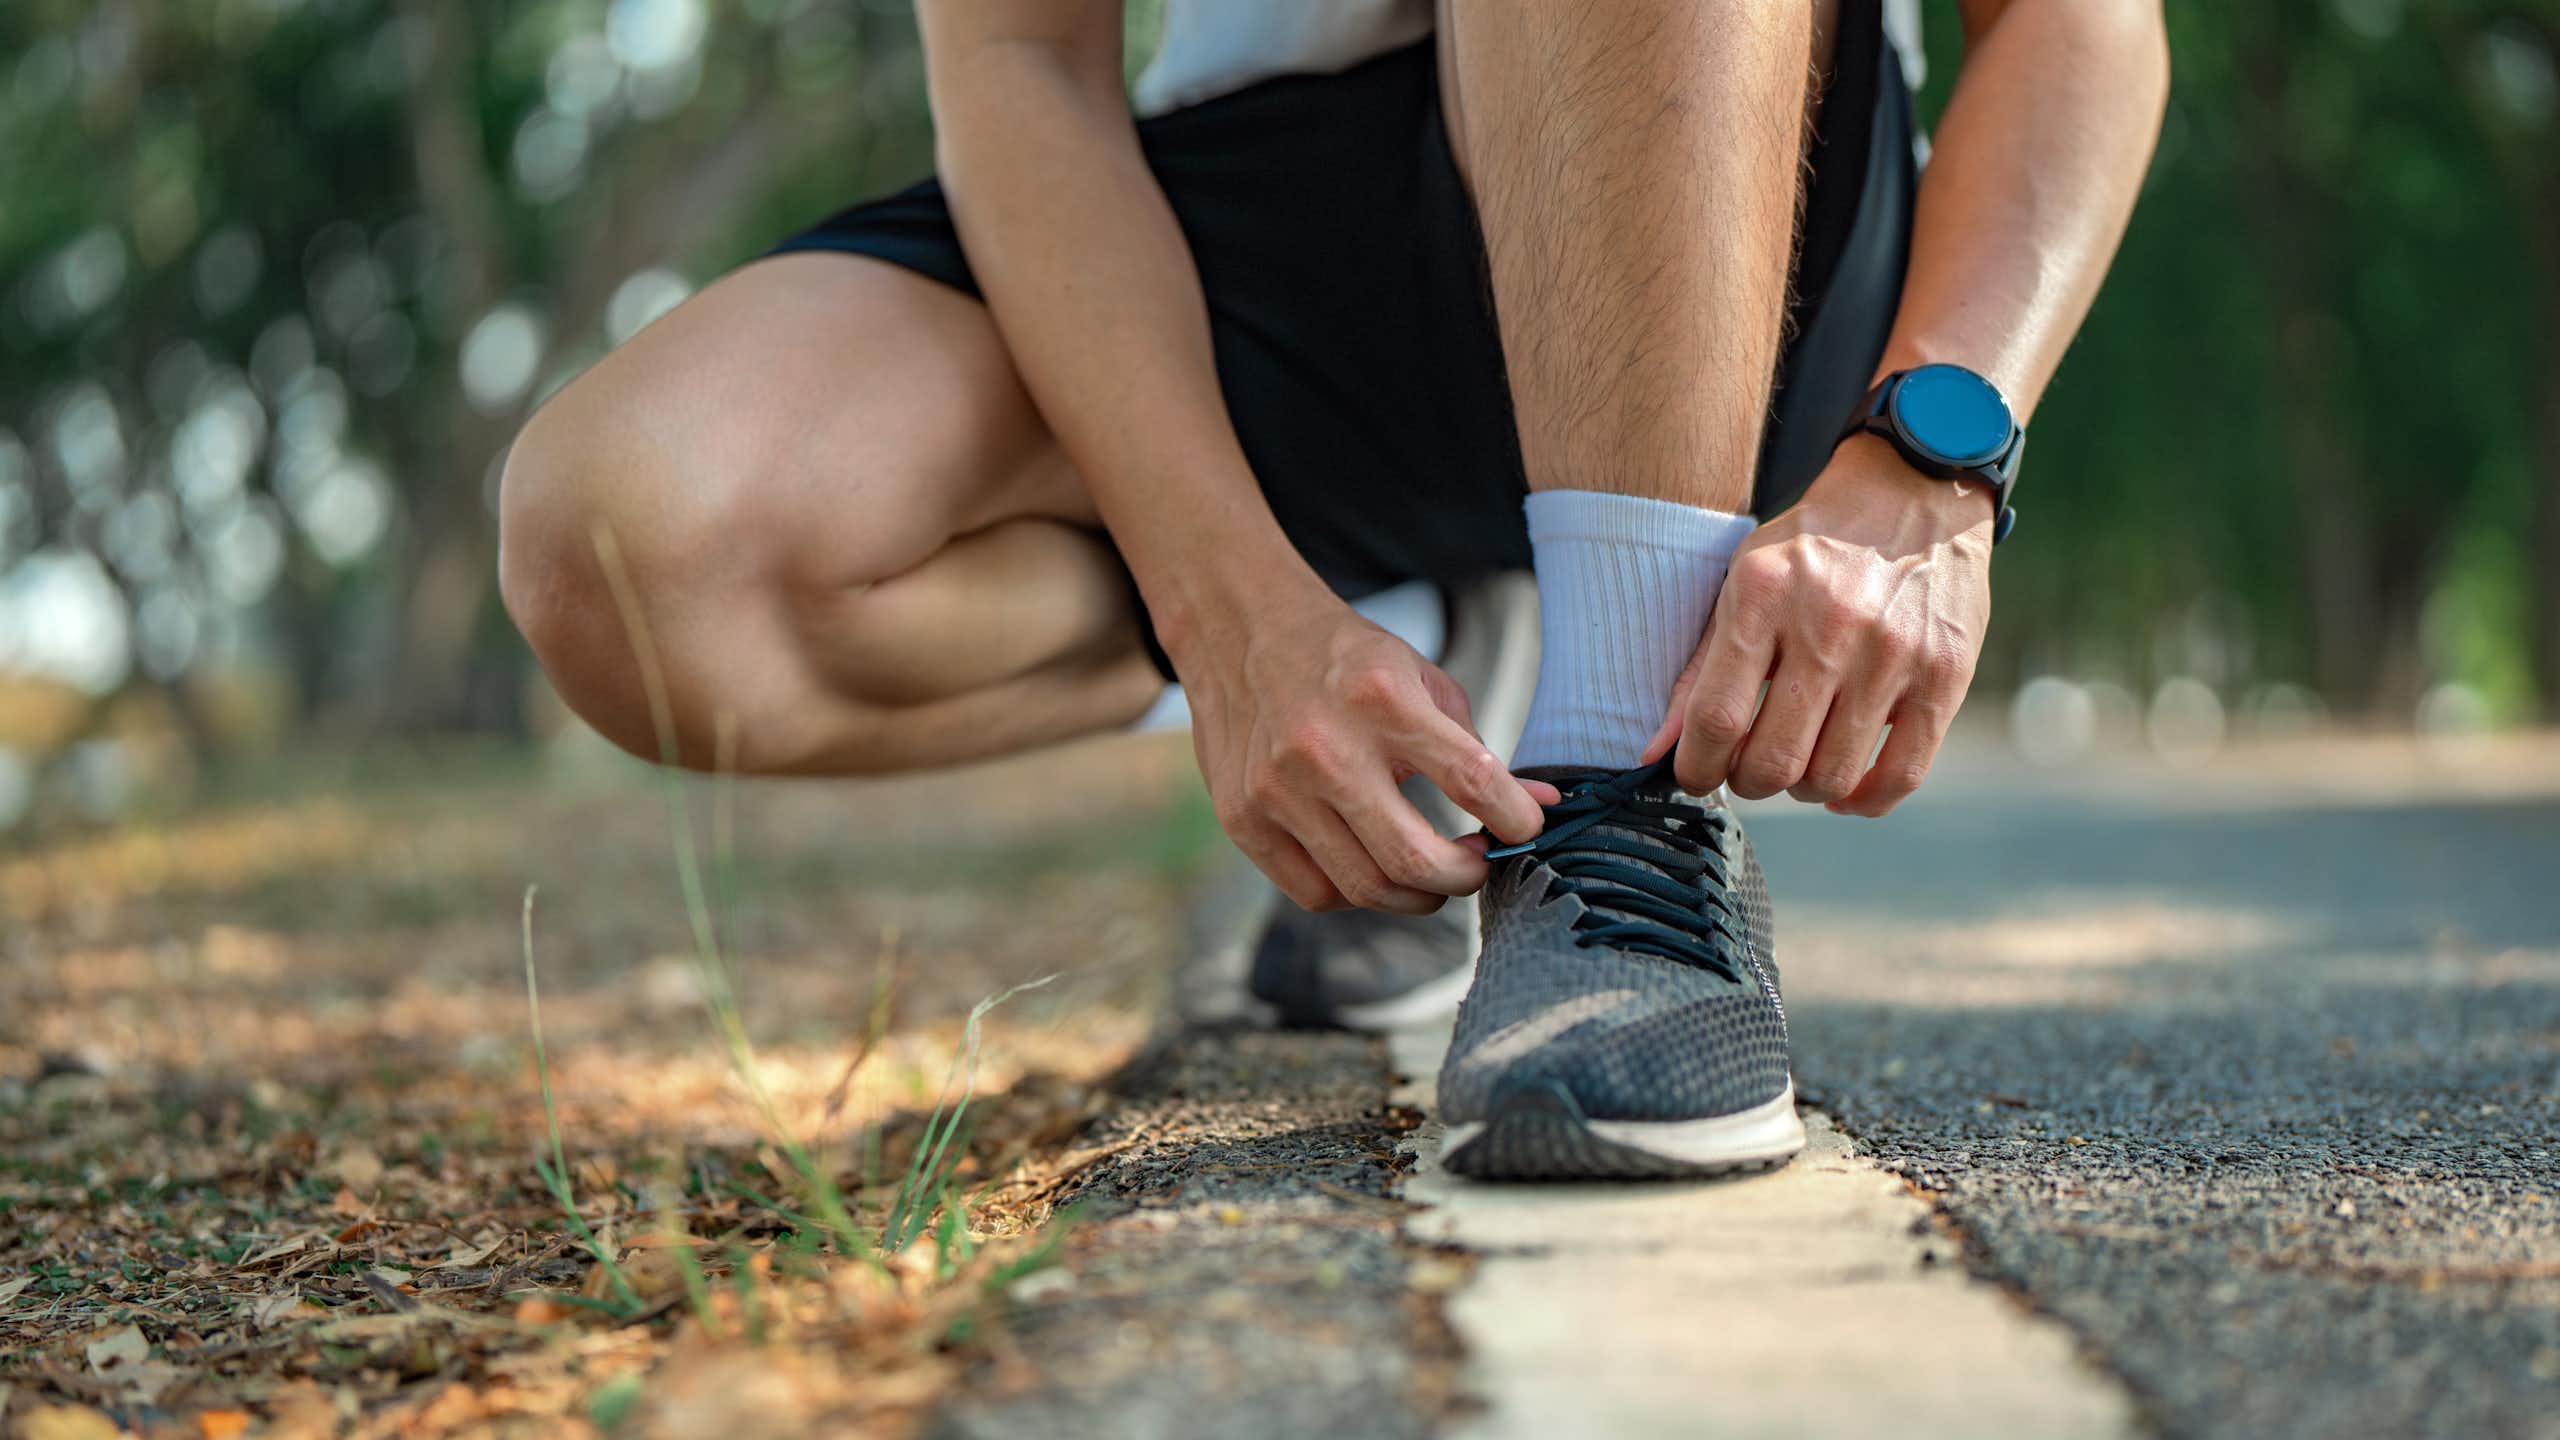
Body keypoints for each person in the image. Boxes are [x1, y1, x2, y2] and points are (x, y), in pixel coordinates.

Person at [498, 0, 2167, 1179]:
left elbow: (2075, 14)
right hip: (1268, 196)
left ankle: (1614, 807)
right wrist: (1238, 621)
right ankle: (1446, 649)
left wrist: (1935, 461)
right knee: (634, 555)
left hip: (1738, 181)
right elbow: (1018, 65)